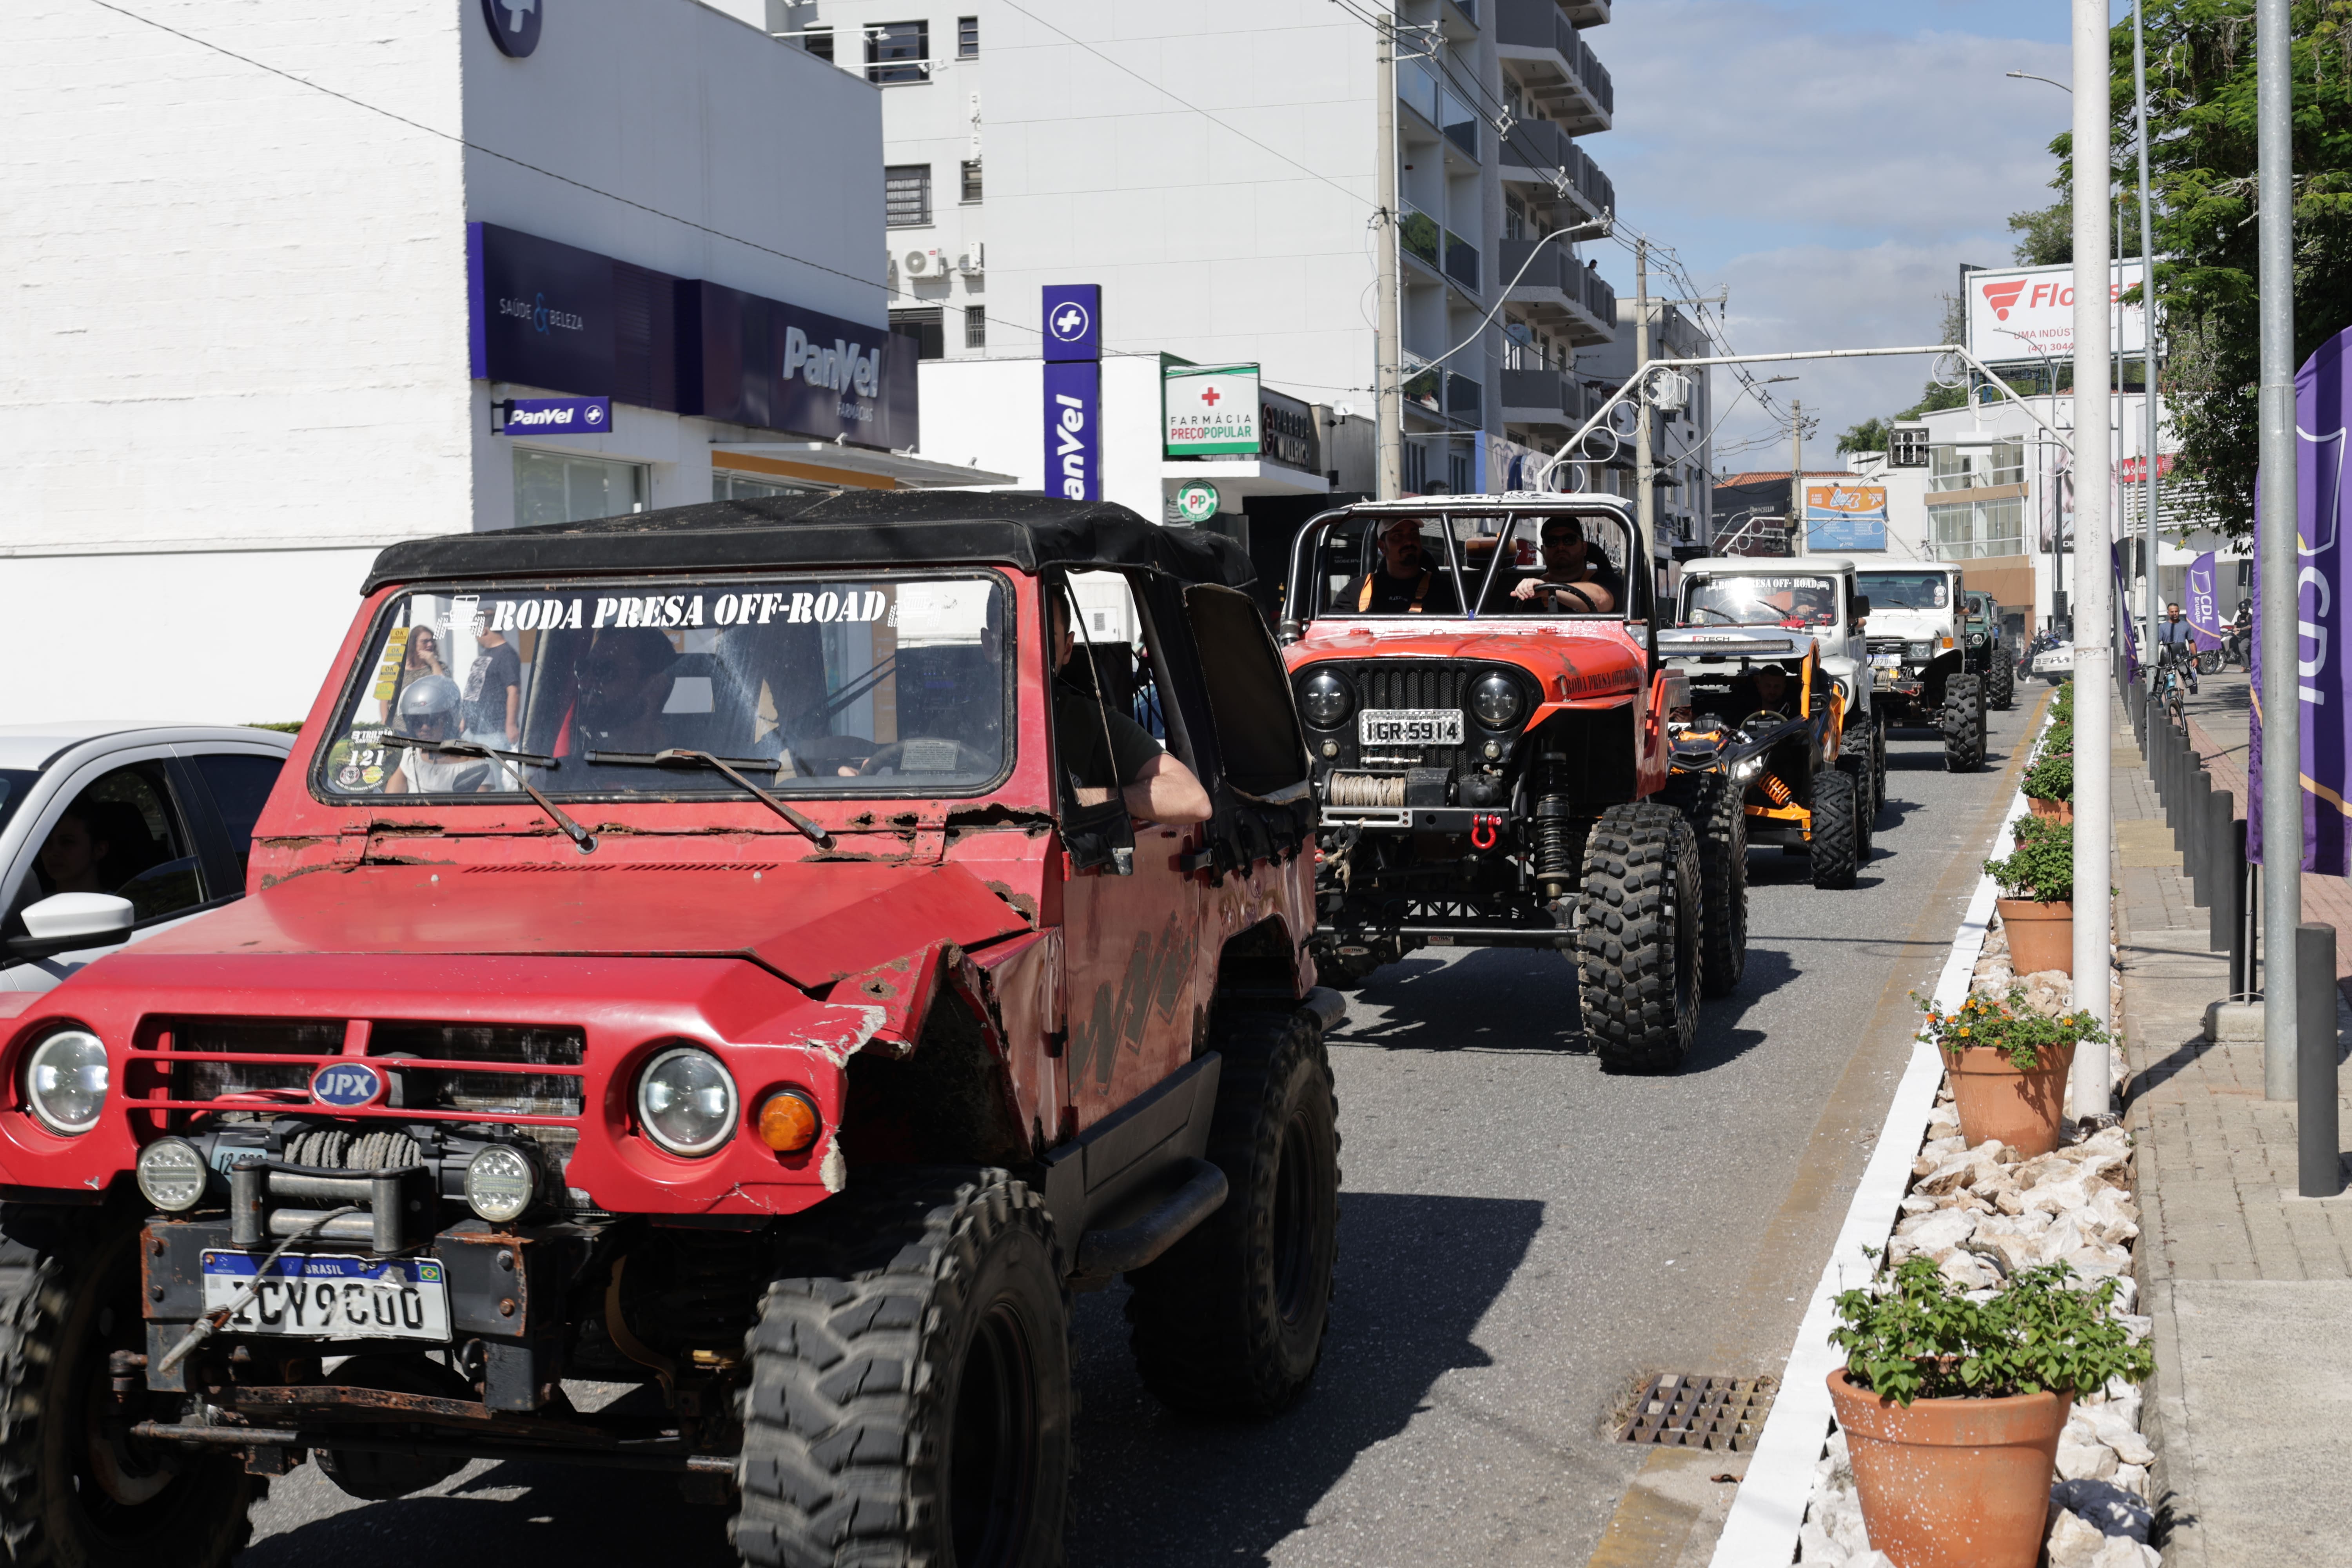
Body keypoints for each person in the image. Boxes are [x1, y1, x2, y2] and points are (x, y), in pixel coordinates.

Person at [1051, 600, 1210, 825]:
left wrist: (1073, 801)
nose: (1023, 651)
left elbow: (1193, 798)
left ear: (1067, 649)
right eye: (1010, 635)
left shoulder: (1092, 724)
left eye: (1044, 637)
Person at [385, 675, 482, 793]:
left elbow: (480, 802)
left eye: (433, 721)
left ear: (450, 720)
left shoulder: (472, 758)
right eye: (417, 722)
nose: (425, 728)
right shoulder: (407, 759)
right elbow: (390, 801)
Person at [1508, 516, 1621, 613]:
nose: (1561, 547)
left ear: (1584, 548)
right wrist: (1533, 589)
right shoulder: (1526, 591)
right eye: (1552, 542)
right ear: (1543, 551)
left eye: (1569, 540)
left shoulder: (1609, 581)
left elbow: (1602, 599)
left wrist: (1548, 590)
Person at [1346, 518, 1454, 614]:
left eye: (1414, 534)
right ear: (1382, 547)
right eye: (1398, 536)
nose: (1409, 542)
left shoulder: (1445, 593)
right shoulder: (1355, 592)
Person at [462, 623, 524, 748]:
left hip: (494, 733)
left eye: (475, 632)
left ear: (484, 631)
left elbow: (514, 691)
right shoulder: (485, 655)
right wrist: (465, 719)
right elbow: (473, 690)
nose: (475, 637)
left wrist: (511, 725)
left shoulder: (507, 655)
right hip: (473, 731)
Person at [35, 809, 110, 896]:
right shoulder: (33, 903)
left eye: (67, 842)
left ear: (99, 850)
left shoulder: (119, 903)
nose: (52, 853)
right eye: (46, 842)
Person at [2156, 601, 2200, 694]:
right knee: (2167, 687)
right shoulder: (2162, 627)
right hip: (2167, 662)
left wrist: (2195, 658)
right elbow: (2156, 644)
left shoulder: (2185, 625)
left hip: (2182, 661)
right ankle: (2169, 702)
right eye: (2172, 612)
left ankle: (2178, 702)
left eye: (2176, 611)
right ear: (2168, 613)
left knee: (2181, 688)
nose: (2175, 614)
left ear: (2179, 612)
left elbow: (2191, 642)